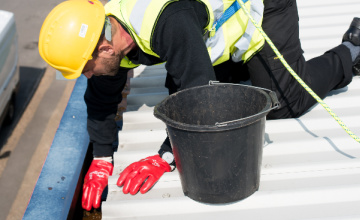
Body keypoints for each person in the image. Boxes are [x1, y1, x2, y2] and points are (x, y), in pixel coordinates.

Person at [38, 0, 360, 211]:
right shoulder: (110, 27)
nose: (87, 75)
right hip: (205, 23)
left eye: (85, 68)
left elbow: (200, 100)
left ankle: (351, 50)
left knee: (286, 101)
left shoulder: (167, 22)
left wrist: (167, 155)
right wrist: (101, 156)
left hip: (262, 7)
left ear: (104, 47)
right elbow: (102, 96)